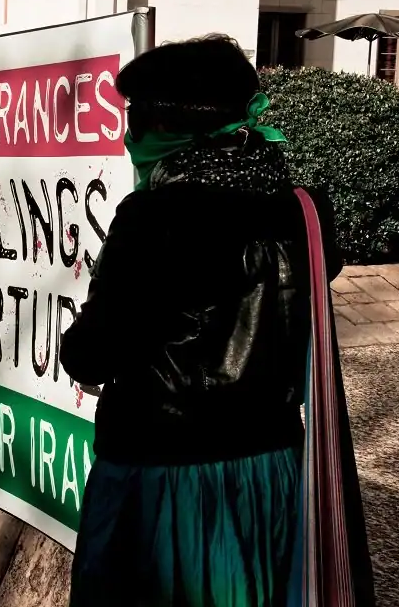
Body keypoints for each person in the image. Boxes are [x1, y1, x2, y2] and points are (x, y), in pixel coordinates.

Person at [60, 35, 374, 606]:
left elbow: (90, 354)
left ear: (168, 125)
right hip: (271, 470)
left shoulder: (153, 217)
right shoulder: (304, 209)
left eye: (136, 117)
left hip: (166, 478)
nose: (127, 134)